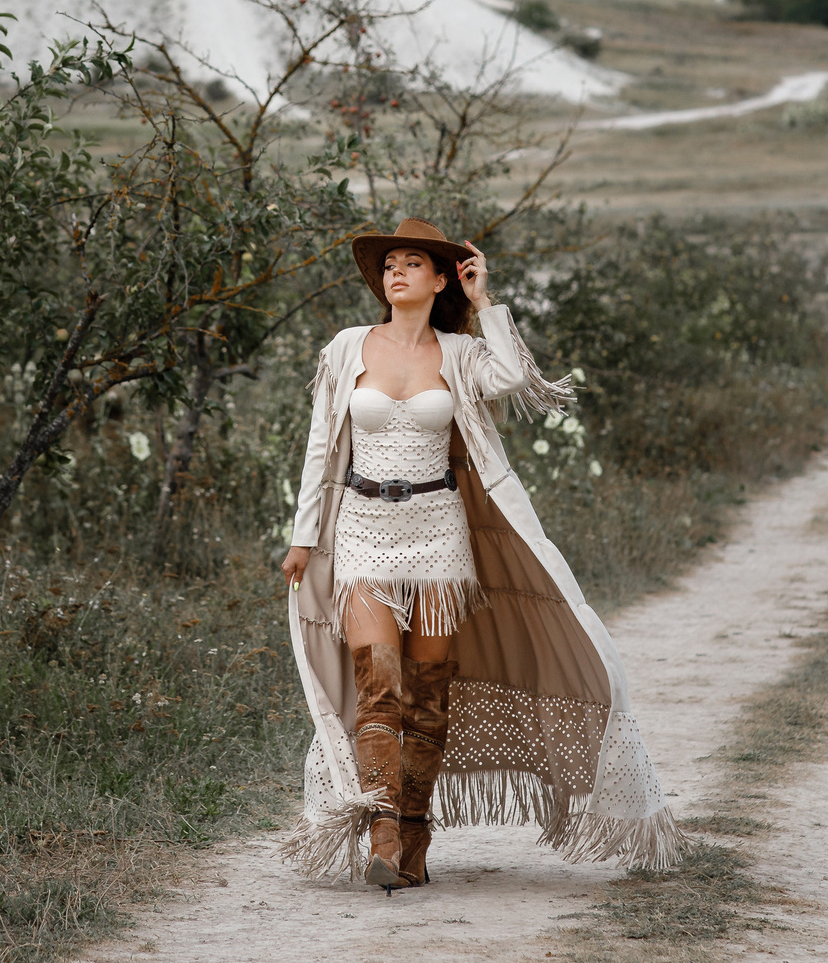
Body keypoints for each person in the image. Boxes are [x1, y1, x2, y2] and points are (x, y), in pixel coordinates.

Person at [278, 218, 679, 891]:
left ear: (440, 280)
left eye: (411, 264)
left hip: (439, 534)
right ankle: (380, 830)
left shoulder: (461, 353)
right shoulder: (347, 347)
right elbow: (322, 446)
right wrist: (302, 535)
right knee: (378, 687)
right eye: (388, 265)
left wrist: (486, 299)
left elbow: (515, 375)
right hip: (362, 528)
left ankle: (414, 834)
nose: (395, 273)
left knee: (428, 695)